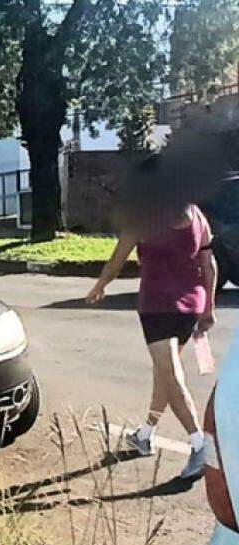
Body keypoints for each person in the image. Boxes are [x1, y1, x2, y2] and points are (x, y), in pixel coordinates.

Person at [87, 157, 218, 479]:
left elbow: (117, 261)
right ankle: (145, 434)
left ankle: (200, 444)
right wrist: (209, 307)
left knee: (171, 374)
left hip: (158, 305)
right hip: (190, 306)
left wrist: (100, 286)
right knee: (165, 374)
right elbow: (209, 265)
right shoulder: (197, 215)